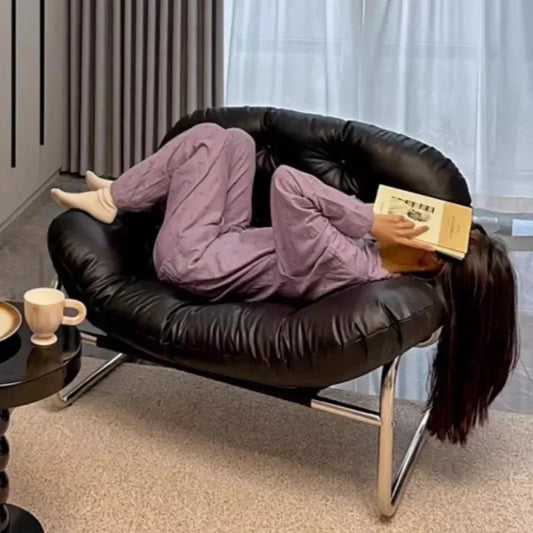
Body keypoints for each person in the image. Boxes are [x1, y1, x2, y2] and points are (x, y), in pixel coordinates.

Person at [51, 123, 518, 445]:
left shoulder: (350, 264)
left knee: (209, 142)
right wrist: (370, 224)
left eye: (422, 222)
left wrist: (369, 218)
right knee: (233, 140)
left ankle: (115, 197)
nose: (412, 214)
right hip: (227, 239)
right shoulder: (375, 254)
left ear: (427, 256)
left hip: (191, 260)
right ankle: (119, 193)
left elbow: (289, 184)